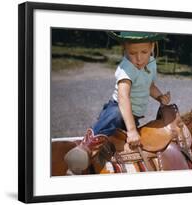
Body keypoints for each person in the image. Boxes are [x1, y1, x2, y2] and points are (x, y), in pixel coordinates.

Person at [64, 31, 172, 174]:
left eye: (144, 52)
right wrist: (132, 130)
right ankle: (85, 148)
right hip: (118, 107)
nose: (139, 58)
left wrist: (159, 97)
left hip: (132, 116)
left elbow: (149, 85)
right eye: (133, 53)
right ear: (125, 48)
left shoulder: (151, 63)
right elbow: (123, 97)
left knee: (133, 143)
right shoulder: (126, 68)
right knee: (114, 115)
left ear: (152, 46)